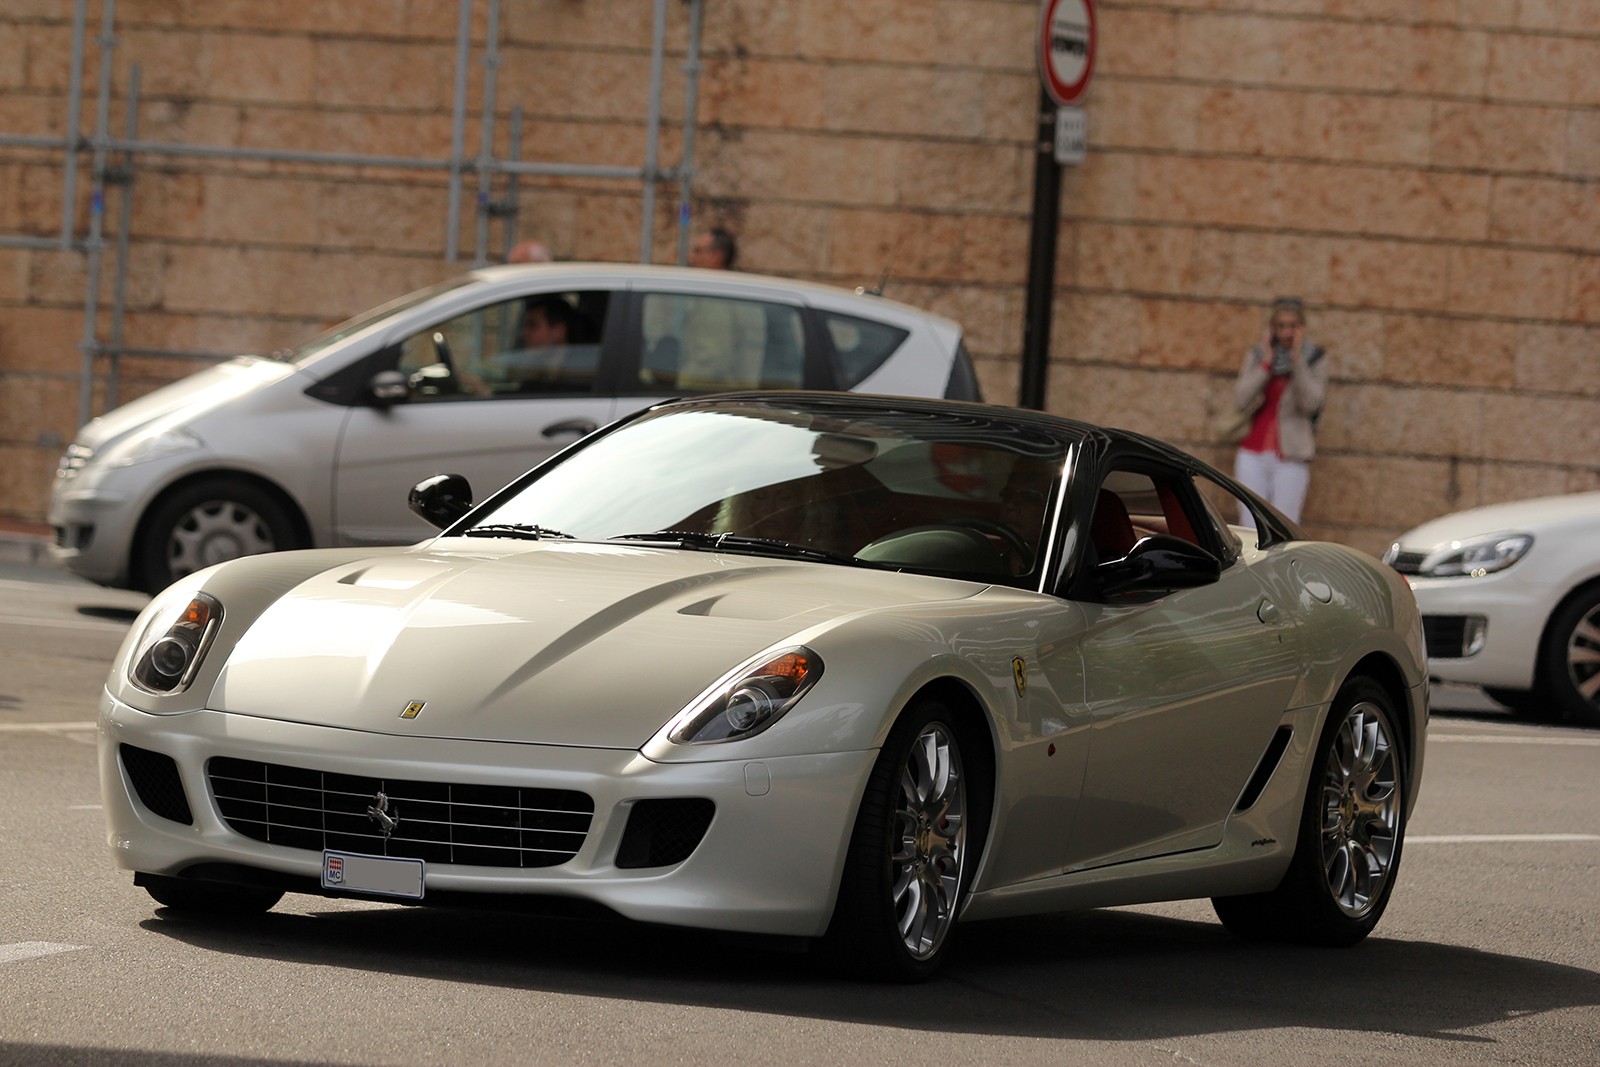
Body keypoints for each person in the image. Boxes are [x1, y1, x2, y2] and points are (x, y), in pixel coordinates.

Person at [1230, 296, 1328, 526]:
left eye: (1292, 326)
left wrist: (1297, 361)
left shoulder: (1315, 358)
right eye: (1281, 326)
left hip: (1291, 453)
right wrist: (1266, 364)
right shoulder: (1258, 355)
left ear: (1301, 328)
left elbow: (1312, 404)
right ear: (1272, 328)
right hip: (1252, 451)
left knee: (1285, 524)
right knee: (1250, 524)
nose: (1286, 332)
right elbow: (1241, 399)